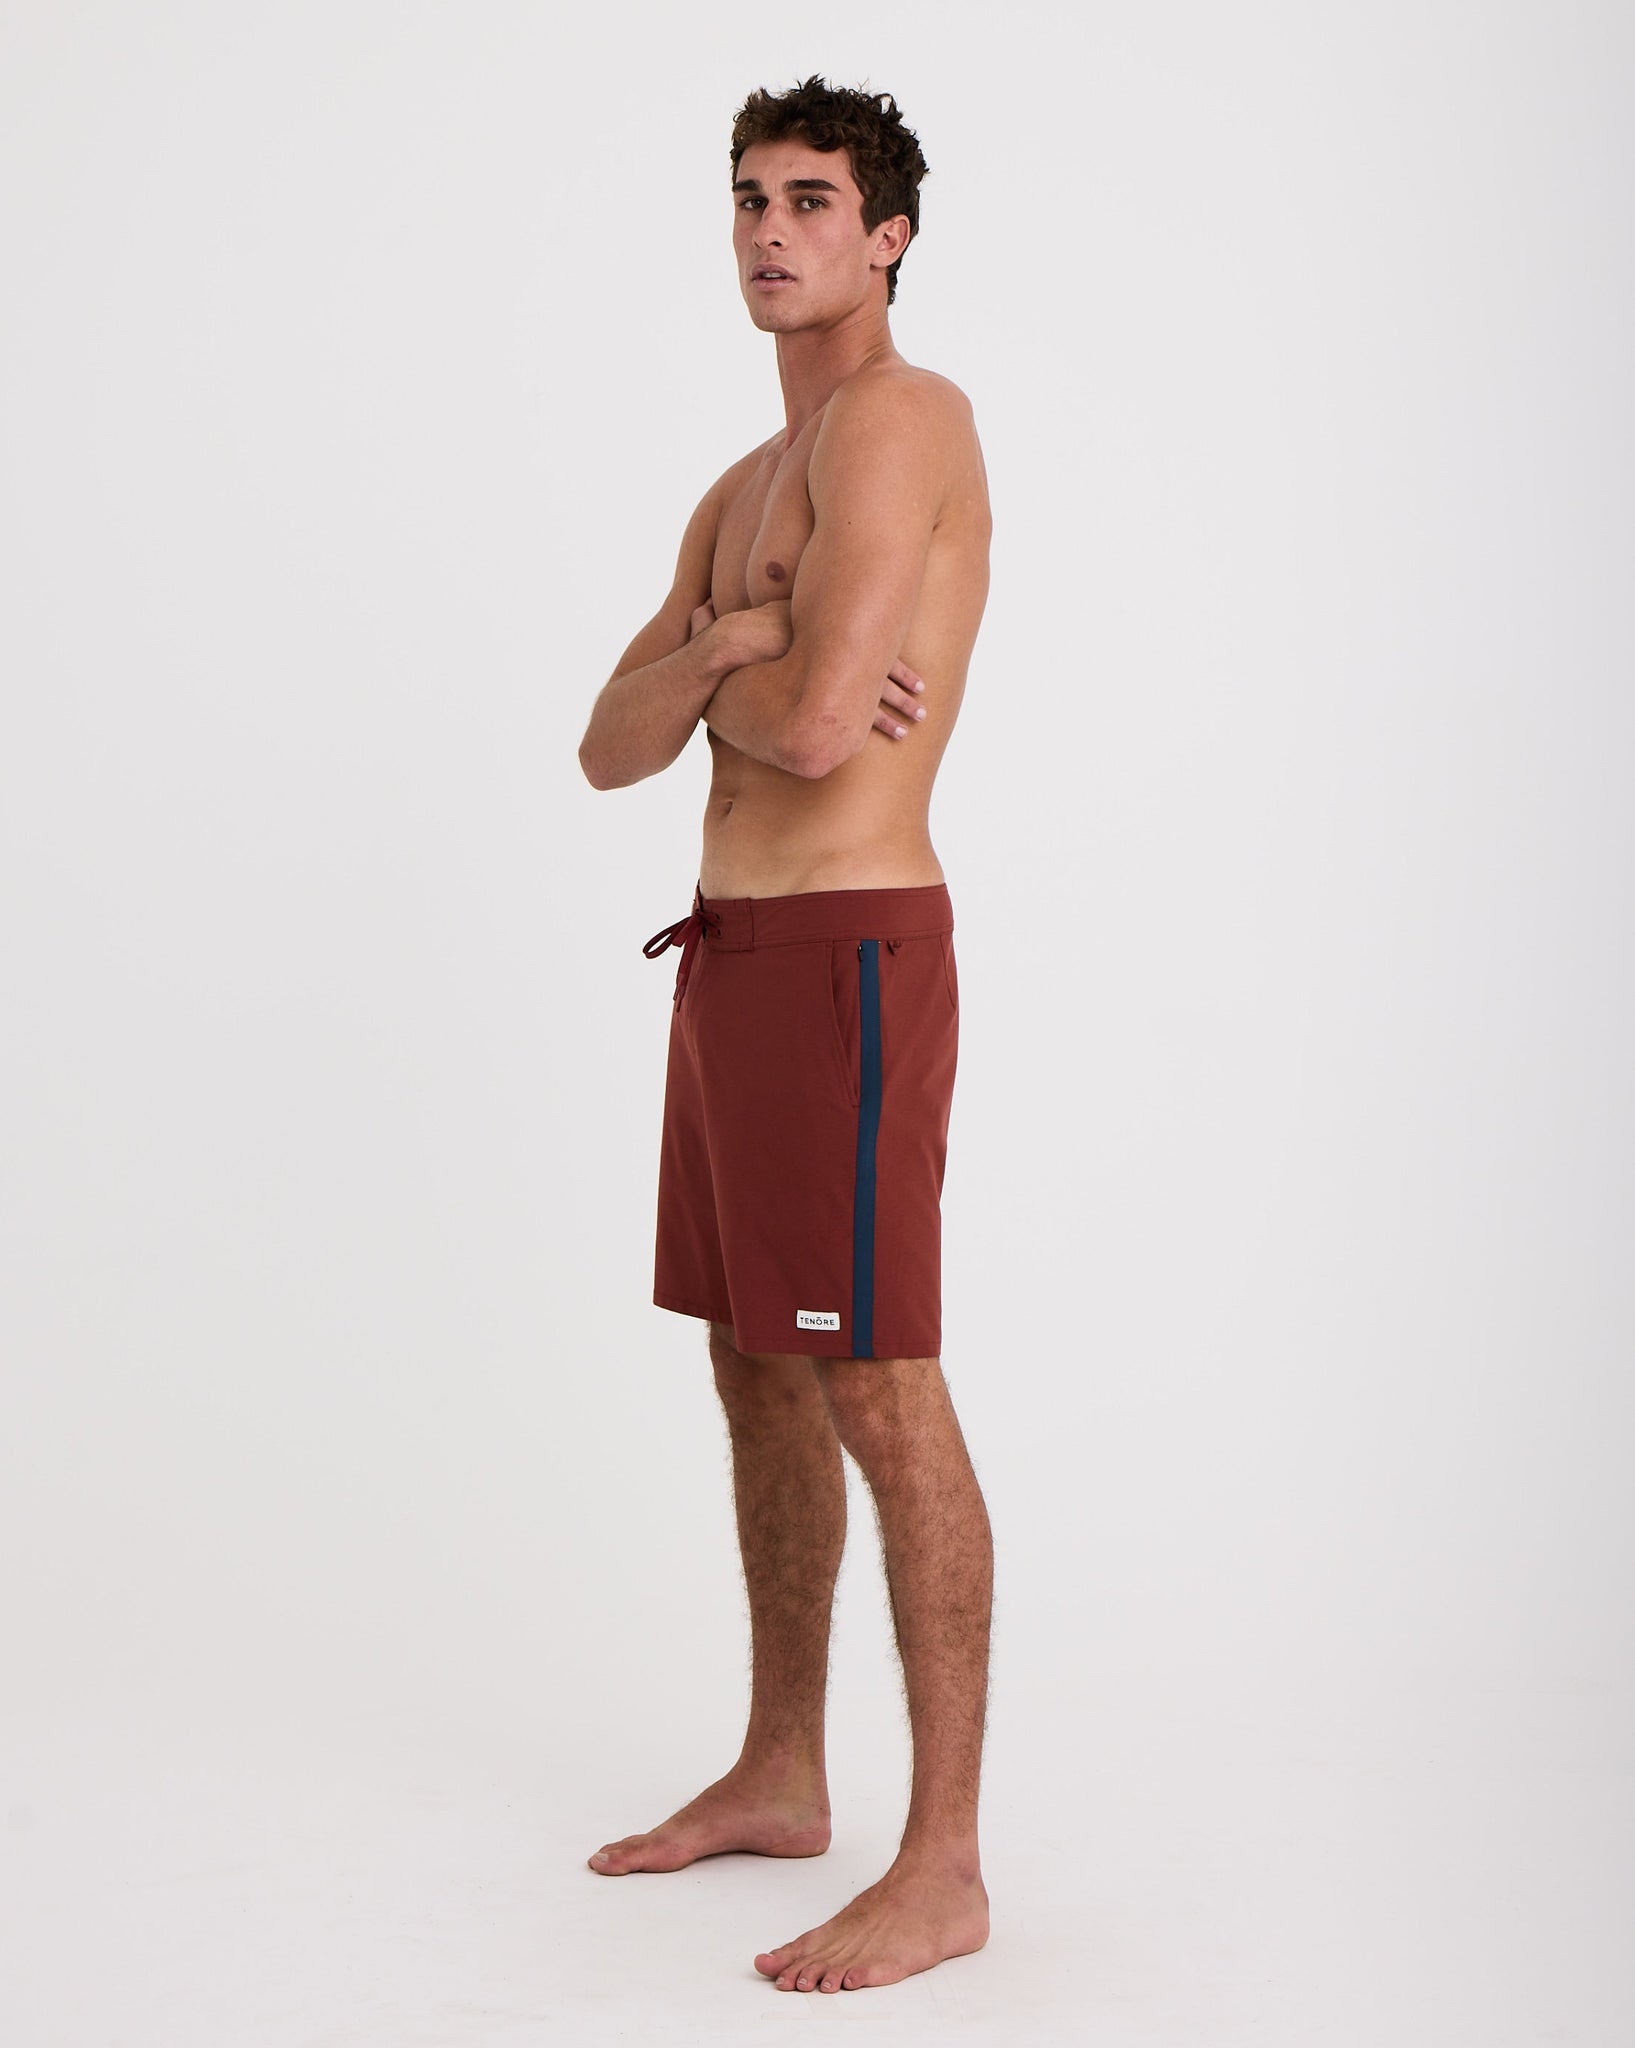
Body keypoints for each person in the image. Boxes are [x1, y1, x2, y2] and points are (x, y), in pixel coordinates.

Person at [577, 75, 994, 1996]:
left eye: (813, 200)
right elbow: (605, 747)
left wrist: (733, 671)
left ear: (887, 236)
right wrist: (738, 640)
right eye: (750, 197)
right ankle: (781, 1770)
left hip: (845, 955)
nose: (770, 230)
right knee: (753, 1364)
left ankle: (946, 1867)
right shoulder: (738, 489)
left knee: (876, 1385)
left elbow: (829, 735)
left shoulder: (904, 418)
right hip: (728, 951)